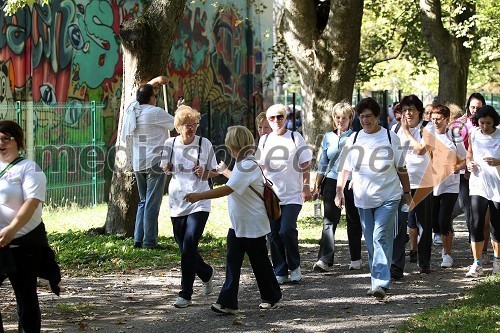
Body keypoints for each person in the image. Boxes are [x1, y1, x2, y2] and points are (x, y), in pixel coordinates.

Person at [184, 126, 282, 314]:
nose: (228, 148)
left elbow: (228, 189)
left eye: (230, 145)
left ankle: (271, 295)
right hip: (239, 224)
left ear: (235, 146)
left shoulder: (247, 165)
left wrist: (199, 196)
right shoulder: (244, 164)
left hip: (252, 224)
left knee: (259, 262)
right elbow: (234, 183)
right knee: (233, 262)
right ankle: (228, 302)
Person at [335, 97, 411, 299]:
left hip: (389, 196)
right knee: (370, 242)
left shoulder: (389, 137)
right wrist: (339, 191)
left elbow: (401, 167)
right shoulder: (352, 139)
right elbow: (345, 168)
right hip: (362, 198)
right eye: (361, 116)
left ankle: (380, 283)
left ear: (377, 116)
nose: (365, 120)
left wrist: (407, 192)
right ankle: (377, 280)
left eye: (369, 116)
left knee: (380, 236)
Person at [0, 120, 61, 332]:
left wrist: (12, 229)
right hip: (0, 245)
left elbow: (32, 203)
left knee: (26, 298)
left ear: (18, 142)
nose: (1, 143)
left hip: (24, 245)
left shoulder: (29, 169)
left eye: (6, 138)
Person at [162, 105, 218, 308]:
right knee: (184, 246)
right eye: (187, 125)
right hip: (177, 201)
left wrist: (205, 172)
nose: (191, 129)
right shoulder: (170, 143)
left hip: (200, 200)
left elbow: (215, 171)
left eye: (194, 125)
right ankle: (206, 272)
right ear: (178, 127)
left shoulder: (205, 143)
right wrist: (166, 167)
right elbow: (165, 167)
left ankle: (185, 294)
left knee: (189, 243)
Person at [258, 104, 312, 284]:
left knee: (286, 229)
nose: (275, 121)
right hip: (271, 195)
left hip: (293, 194)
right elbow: (261, 168)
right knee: (273, 234)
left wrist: (306, 186)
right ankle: (279, 269)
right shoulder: (264, 140)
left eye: (279, 117)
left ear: (286, 118)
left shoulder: (295, 137)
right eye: (271, 118)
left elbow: (305, 165)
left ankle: (294, 266)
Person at [311, 102, 362, 272]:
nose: (340, 120)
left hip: (351, 182)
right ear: (334, 118)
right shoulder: (328, 137)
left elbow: (360, 161)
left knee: (353, 220)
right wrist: (317, 183)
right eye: (337, 117)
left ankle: (356, 258)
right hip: (332, 181)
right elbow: (323, 162)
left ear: (350, 119)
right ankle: (324, 260)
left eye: (344, 117)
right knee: (329, 221)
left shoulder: (356, 136)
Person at [126, 76, 175, 249]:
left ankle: (138, 239)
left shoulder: (134, 110)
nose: (156, 98)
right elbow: (175, 124)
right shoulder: (155, 112)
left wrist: (156, 81)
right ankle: (149, 242)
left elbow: (143, 89)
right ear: (151, 98)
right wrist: (182, 108)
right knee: (152, 204)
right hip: (155, 162)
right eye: (155, 95)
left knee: (143, 201)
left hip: (139, 162)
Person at [393, 94, 435, 275]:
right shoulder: (395, 129)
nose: (408, 113)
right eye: (404, 110)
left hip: (423, 183)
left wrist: (408, 132)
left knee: (424, 225)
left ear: (419, 111)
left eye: (411, 110)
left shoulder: (428, 127)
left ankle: (424, 262)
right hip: (401, 184)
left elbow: (420, 150)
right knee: (400, 225)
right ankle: (397, 265)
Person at [465, 105, 500, 277]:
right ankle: (477, 263)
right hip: (478, 184)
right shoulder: (474, 134)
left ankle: (497, 261)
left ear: (494, 122)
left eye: (488, 123)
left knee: (496, 226)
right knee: (476, 223)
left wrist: (498, 161)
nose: (485, 127)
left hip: (497, 185)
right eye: (482, 123)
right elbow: (469, 154)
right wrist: (469, 163)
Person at [430, 105, 466, 268]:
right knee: (434, 221)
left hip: (450, 185)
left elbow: (464, 158)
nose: (435, 122)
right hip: (432, 184)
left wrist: (457, 167)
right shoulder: (428, 135)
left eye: (438, 119)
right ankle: (442, 242)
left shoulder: (454, 137)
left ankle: (447, 254)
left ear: (446, 119)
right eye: (433, 118)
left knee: (444, 220)